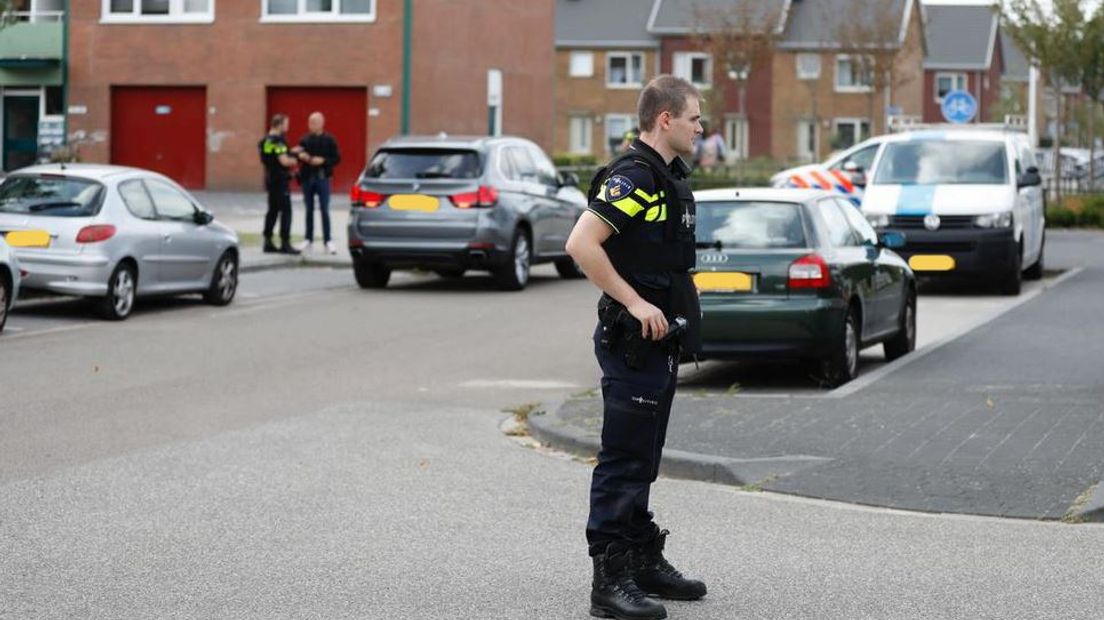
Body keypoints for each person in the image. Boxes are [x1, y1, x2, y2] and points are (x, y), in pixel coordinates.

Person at [565, 75, 707, 620]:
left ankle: (642, 558)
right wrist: (635, 303)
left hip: (660, 344)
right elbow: (581, 244)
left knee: (643, 457)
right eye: (694, 117)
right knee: (624, 459)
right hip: (633, 343)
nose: (701, 126)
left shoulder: (666, 179)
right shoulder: (633, 178)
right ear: (665, 119)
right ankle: (610, 578)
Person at [297, 112, 342, 254]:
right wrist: (301, 156)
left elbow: (336, 158)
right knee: (309, 209)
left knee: (324, 208)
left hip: (323, 177)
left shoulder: (330, 140)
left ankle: (327, 240)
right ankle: (308, 239)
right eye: (310, 122)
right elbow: (298, 154)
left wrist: (323, 161)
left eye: (315, 122)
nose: (312, 125)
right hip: (307, 178)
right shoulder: (304, 139)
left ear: (322, 123)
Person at [258, 114, 301, 255]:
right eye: (286, 124)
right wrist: (296, 159)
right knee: (286, 211)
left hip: (270, 179)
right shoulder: (278, 142)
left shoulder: (266, 141)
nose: (287, 127)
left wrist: (291, 151)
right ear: (279, 125)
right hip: (281, 180)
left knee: (273, 211)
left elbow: (272, 156)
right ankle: (285, 243)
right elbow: (284, 161)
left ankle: (268, 241)